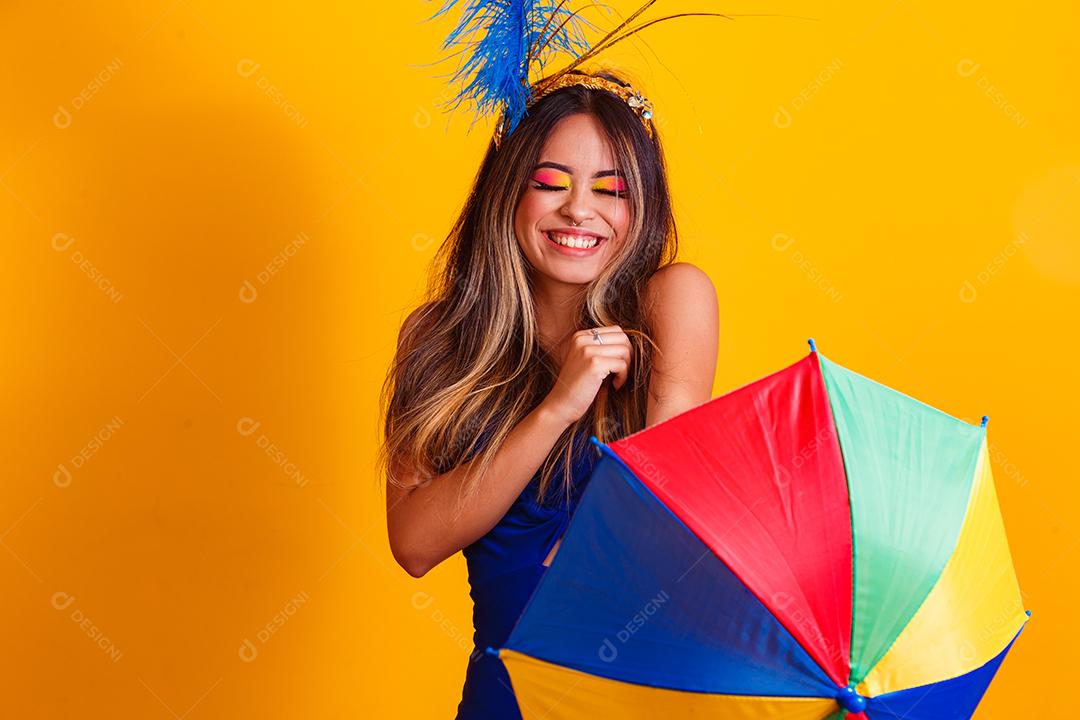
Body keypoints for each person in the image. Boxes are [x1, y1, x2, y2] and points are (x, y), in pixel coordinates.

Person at [378, 68, 719, 719]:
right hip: (504, 694)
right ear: (508, 190)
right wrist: (558, 406)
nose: (579, 210)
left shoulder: (670, 301)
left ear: (642, 205)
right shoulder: (435, 337)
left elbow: (673, 515)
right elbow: (415, 545)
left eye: (611, 190)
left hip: (634, 690)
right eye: (550, 182)